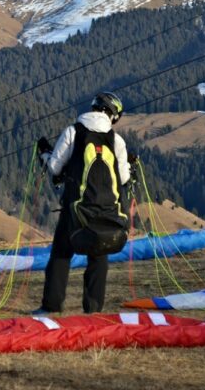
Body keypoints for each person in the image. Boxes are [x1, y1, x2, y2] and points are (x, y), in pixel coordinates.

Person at [34, 91, 133, 315]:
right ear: (112, 115)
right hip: (107, 210)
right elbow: (123, 178)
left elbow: (55, 168)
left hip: (75, 208)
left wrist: (45, 154)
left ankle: (51, 306)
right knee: (98, 255)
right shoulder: (116, 141)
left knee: (61, 253)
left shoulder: (73, 131)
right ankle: (93, 310)